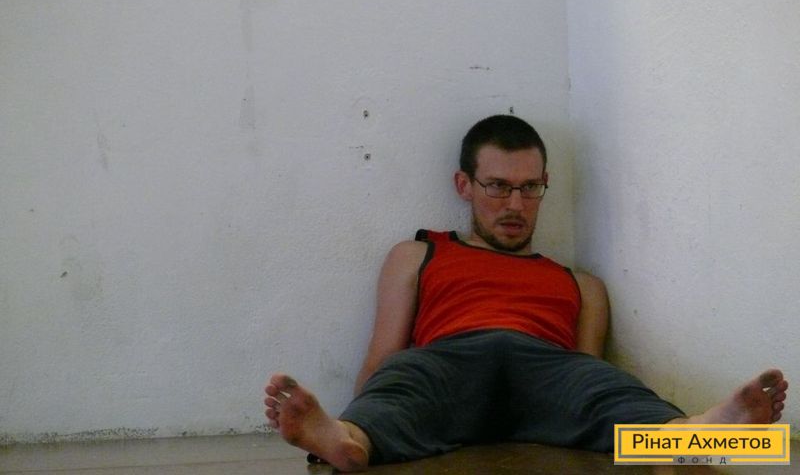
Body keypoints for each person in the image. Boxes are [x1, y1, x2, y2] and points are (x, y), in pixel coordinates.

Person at [264, 114, 788, 472]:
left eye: (530, 187)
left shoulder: (582, 284)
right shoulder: (418, 254)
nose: (515, 204)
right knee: (406, 382)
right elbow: (382, 360)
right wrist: (368, 407)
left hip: (544, 369)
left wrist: (587, 393)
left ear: (543, 185)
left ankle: (696, 434)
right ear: (464, 185)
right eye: (497, 186)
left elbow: (586, 380)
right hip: (449, 363)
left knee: (609, 391)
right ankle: (348, 439)